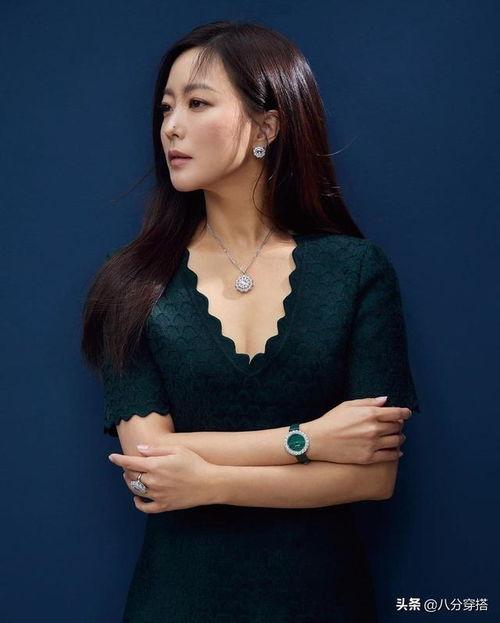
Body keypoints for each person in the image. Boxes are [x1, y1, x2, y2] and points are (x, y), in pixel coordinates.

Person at [81, 19, 420, 623]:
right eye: (165, 109)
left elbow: (374, 477)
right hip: (177, 604)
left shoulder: (356, 271)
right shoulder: (130, 282)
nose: (171, 127)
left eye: (197, 103)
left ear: (268, 126)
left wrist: (208, 480)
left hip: (324, 603)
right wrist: (310, 440)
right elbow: (149, 466)